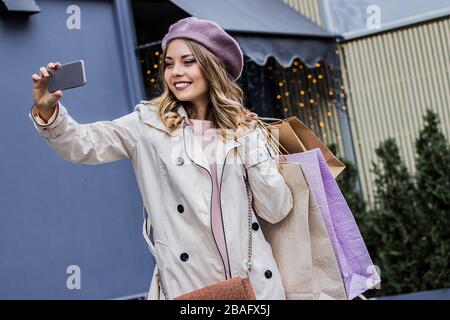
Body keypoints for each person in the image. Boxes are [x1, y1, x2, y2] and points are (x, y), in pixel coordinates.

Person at [29, 17, 293, 300]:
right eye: (169, 63)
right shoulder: (148, 125)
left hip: (256, 289)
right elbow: (82, 144)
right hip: (190, 290)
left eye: (188, 61)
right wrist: (47, 112)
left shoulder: (245, 129)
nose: (175, 72)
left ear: (213, 66)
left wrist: (249, 141)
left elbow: (276, 209)